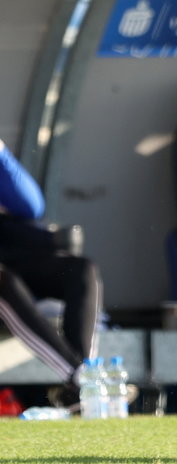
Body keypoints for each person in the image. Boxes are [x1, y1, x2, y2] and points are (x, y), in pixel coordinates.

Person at [0, 137, 102, 408]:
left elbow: (32, 206)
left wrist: (2, 156)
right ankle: (79, 377)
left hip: (14, 262)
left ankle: (82, 375)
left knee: (81, 270)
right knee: (3, 279)